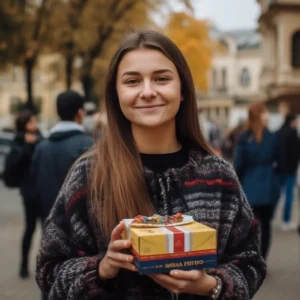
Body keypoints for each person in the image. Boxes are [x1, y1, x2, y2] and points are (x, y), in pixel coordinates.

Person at [36, 30, 266, 300]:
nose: (147, 92)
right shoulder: (90, 175)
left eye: (161, 78)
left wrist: (211, 285)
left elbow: (250, 262)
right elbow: (49, 271)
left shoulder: (218, 175)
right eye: (132, 81)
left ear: (182, 91)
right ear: (116, 95)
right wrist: (101, 268)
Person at [32, 90, 94, 222]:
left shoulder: (41, 147)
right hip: (81, 225)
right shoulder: (88, 146)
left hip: (49, 222)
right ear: (80, 112)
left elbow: (35, 187)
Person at [234, 103, 280, 260]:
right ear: (258, 115)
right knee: (266, 225)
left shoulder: (244, 138)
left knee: (251, 226)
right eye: (265, 112)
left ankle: (252, 259)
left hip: (249, 186)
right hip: (268, 186)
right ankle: (262, 259)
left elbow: (238, 164)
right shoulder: (272, 137)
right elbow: (279, 161)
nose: (267, 116)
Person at [3, 109, 43, 278]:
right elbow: (14, 165)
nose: (36, 124)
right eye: (33, 121)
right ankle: (23, 265)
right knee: (30, 228)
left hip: (43, 190)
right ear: (26, 124)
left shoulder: (41, 138)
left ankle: (44, 265)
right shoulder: (18, 142)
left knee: (48, 231)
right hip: (29, 193)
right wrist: (27, 145)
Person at [274, 114, 300, 230]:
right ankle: (286, 220)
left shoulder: (278, 132)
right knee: (289, 195)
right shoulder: (293, 133)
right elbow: (296, 152)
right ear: (292, 121)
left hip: (278, 168)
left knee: (276, 194)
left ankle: (272, 217)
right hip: (290, 169)